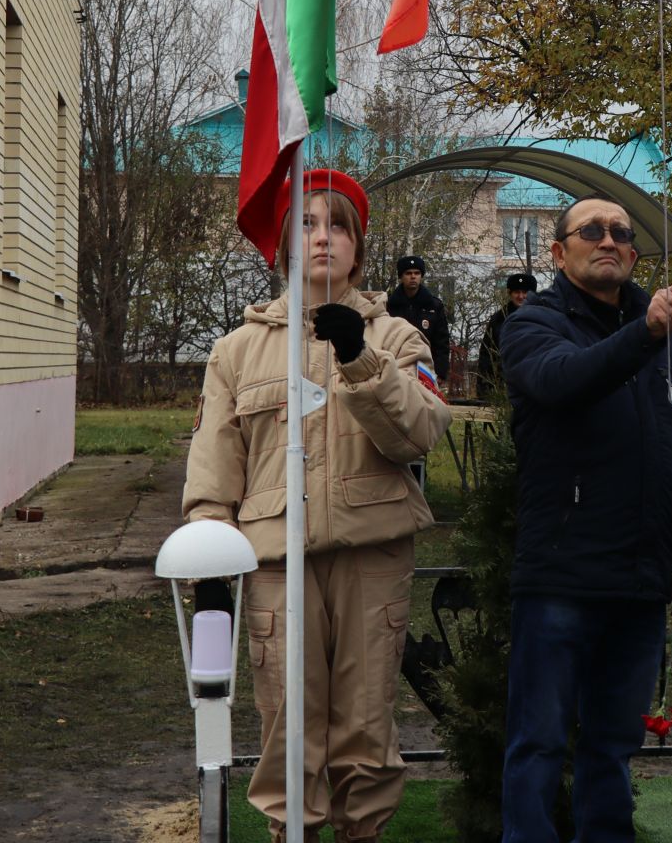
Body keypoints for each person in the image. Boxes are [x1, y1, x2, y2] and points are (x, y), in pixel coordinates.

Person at [184, 169, 451, 843]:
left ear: (358, 249)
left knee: (365, 726)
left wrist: (359, 358)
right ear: (282, 245)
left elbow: (418, 433)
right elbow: (216, 470)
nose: (322, 237)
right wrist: (209, 550)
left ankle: (363, 833)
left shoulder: (396, 338)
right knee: (287, 726)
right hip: (277, 562)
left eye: (337, 225)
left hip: (373, 555)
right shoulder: (236, 351)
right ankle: (290, 835)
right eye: (306, 223)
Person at [498, 195, 672, 843]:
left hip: (639, 578)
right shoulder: (534, 325)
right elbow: (563, 381)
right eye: (592, 231)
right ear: (559, 252)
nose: (608, 240)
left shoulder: (663, 332)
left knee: (611, 747)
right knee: (540, 744)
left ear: (635, 255)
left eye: (621, 233)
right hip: (562, 573)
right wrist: (644, 336)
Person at [385, 254, 451, 384]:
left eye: (417, 273)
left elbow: (441, 342)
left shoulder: (434, 306)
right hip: (396, 366)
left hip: (425, 368)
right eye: (408, 273)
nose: (413, 277)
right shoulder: (389, 305)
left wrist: (441, 372)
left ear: (421, 276)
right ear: (401, 277)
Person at [474, 270, 537, 399]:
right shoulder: (498, 319)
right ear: (510, 293)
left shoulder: (542, 317)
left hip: (534, 384)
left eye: (525, 292)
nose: (521, 296)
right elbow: (486, 354)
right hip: (504, 386)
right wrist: (484, 389)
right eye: (516, 292)